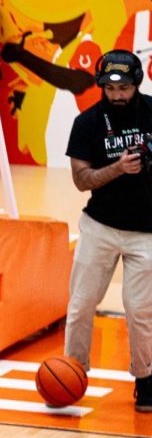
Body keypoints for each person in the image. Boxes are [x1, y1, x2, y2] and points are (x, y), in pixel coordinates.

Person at [64, 50, 152, 413]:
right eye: (111, 87)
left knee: (140, 310)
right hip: (100, 226)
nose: (117, 94)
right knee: (81, 306)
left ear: (137, 85)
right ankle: (72, 372)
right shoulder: (87, 123)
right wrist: (118, 168)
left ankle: (146, 379)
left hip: (146, 232)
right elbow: (81, 180)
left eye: (125, 87)